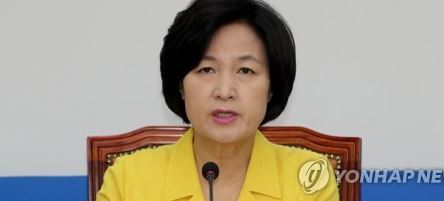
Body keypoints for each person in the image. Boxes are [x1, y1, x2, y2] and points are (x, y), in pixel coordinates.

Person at [96, 0, 339, 200]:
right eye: (206, 70)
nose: (224, 91)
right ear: (181, 85)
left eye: (245, 70)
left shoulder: (309, 177)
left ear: (271, 89)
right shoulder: (128, 179)